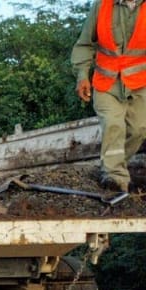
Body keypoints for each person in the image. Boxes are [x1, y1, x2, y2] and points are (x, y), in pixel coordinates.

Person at [72, 0, 146, 193]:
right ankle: (115, 178)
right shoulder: (102, 5)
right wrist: (82, 75)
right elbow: (84, 44)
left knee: (139, 130)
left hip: (140, 83)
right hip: (107, 82)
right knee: (113, 124)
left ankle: (113, 166)